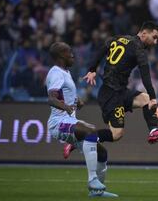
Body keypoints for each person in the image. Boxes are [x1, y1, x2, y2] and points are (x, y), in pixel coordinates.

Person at [45, 42, 118, 198]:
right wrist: (64, 107)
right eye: (68, 52)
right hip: (58, 123)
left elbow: (65, 93)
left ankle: (97, 192)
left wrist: (76, 101)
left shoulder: (65, 72)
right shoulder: (56, 72)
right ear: (60, 56)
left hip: (69, 121)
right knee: (91, 131)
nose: (72, 54)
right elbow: (51, 98)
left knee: (102, 152)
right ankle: (92, 180)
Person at [84, 21, 158, 145]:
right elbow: (145, 75)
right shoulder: (139, 49)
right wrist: (153, 98)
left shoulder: (118, 38)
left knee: (145, 99)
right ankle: (82, 139)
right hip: (111, 94)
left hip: (120, 91)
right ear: (144, 33)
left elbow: (102, 49)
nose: (156, 42)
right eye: (154, 37)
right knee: (116, 134)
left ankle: (154, 131)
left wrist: (92, 69)